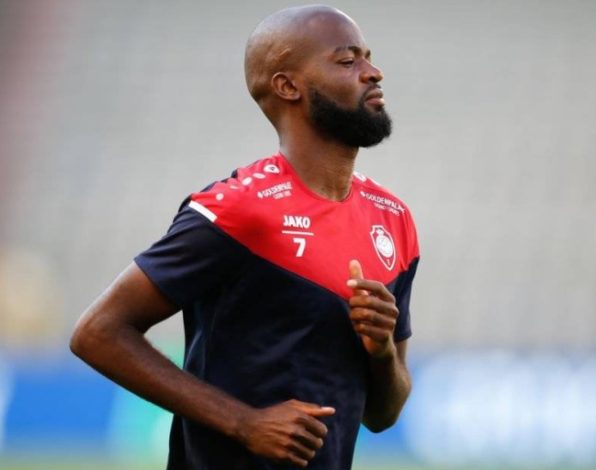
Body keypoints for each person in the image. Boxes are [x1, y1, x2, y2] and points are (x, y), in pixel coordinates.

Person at [70, 5, 420, 469]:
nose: (373, 72)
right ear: (288, 86)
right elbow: (97, 333)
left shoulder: (393, 219)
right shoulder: (239, 209)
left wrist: (381, 352)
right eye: (347, 60)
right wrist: (244, 423)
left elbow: (383, 414)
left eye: (368, 57)